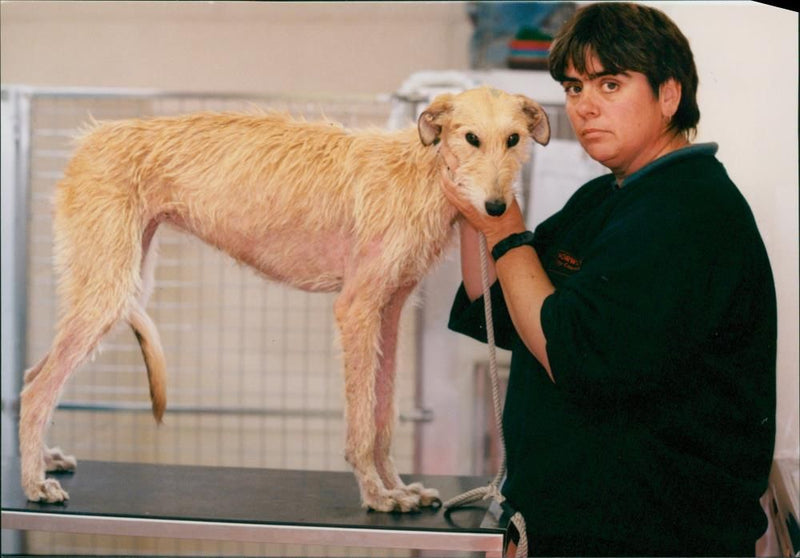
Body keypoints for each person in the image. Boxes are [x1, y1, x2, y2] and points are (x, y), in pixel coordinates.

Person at [442, 3, 776, 556]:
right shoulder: (605, 197)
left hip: (651, 541)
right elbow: (500, 304)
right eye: (574, 89)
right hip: (574, 529)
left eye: (610, 84)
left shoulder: (687, 211)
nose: (585, 106)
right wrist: (479, 196)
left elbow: (572, 352)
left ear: (669, 96)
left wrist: (504, 227)